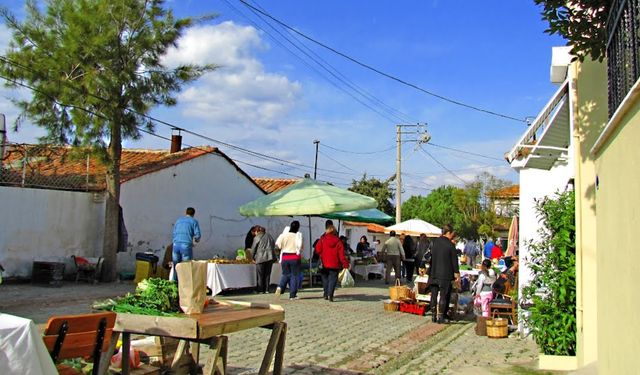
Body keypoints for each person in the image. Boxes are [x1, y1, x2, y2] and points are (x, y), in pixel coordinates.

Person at [427, 224, 460, 324]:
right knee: (443, 296)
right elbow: (454, 261)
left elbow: (427, 255)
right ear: (449, 233)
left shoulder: (434, 242)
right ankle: (441, 317)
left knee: (433, 295)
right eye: (452, 234)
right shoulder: (450, 245)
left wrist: (423, 266)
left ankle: (433, 315)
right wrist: (456, 274)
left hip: (433, 273)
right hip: (445, 274)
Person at [315, 225, 350, 302]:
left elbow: (317, 250)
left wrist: (322, 253)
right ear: (334, 232)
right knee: (333, 280)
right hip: (335, 264)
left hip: (324, 263)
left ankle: (325, 294)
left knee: (325, 280)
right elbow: (341, 255)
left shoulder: (322, 239)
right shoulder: (338, 241)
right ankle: (330, 294)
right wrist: (345, 264)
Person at [275, 220, 303, 300]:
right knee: (294, 276)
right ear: (298, 228)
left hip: (285, 257)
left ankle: (280, 286)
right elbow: (300, 247)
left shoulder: (283, 235)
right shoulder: (298, 235)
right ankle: (292, 295)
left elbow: (278, 246)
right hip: (294, 257)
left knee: (285, 274)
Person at [171, 207, 201, 282]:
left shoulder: (178, 221)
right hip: (186, 245)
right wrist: (195, 242)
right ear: (193, 214)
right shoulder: (194, 221)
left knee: (176, 266)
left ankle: (174, 284)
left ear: (186, 212)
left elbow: (174, 233)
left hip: (176, 245)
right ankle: (185, 284)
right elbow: (198, 235)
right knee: (186, 266)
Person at [252, 226, 276, 294]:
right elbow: (273, 245)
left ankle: (260, 290)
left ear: (257, 231)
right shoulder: (270, 236)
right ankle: (267, 289)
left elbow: (253, 248)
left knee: (260, 274)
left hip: (260, 258)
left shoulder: (257, 237)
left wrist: (252, 257)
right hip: (270, 257)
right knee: (267, 274)